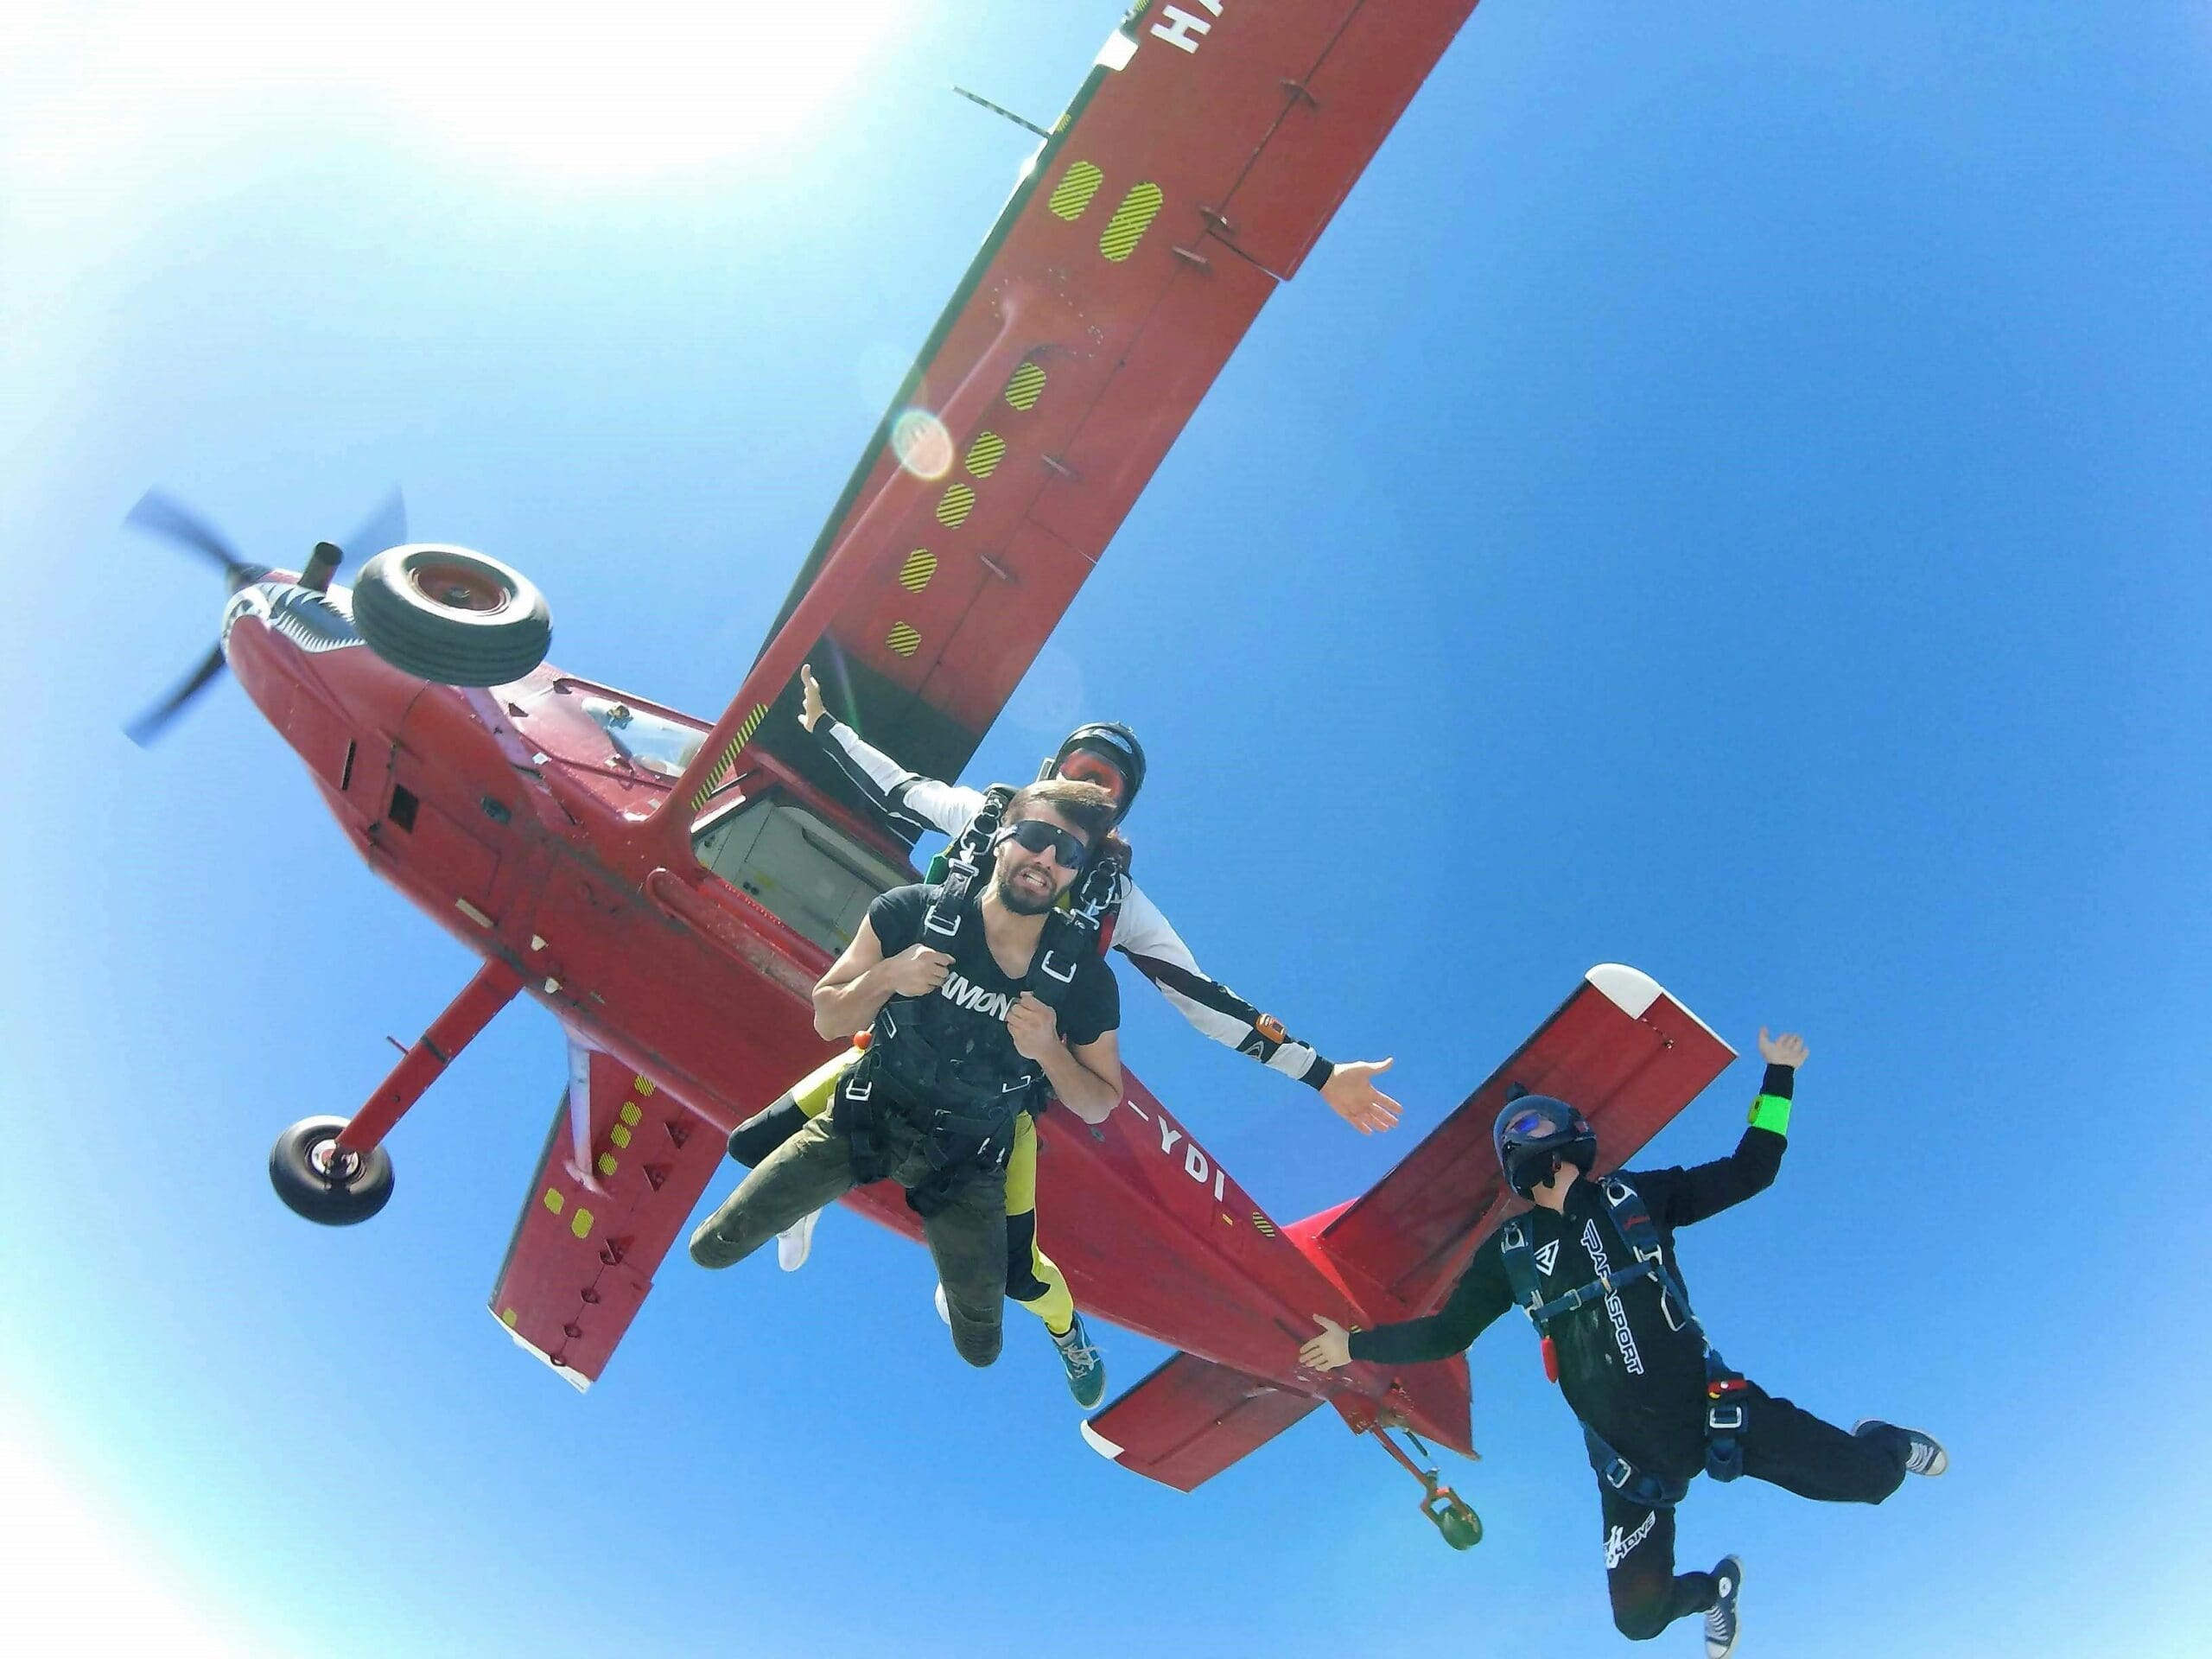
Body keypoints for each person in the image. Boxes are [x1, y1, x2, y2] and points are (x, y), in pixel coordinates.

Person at [728, 663, 1402, 1408]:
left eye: (1108, 794)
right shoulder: (988, 821)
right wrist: (825, 726)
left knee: (1015, 1270)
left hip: (1002, 1091)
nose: (1083, 807)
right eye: (1081, 775)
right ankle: (808, 1196)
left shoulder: (1121, 902)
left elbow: (1202, 997)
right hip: (904, 1045)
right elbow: (898, 785)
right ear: (1046, 777)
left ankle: (1065, 1331)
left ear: (1114, 823)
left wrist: (1320, 1072)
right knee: (759, 1143)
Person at [1298, 1031, 1946, 1658]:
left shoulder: (1638, 1194)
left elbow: (1751, 1172)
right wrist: (1352, 1345)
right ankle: (1714, 1591)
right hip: (1631, 1467)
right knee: (1638, 1620)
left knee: (1872, 1482)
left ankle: (1885, 1440)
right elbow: (1445, 1333)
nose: (1519, 1136)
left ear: (1568, 1134)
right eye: (1510, 1135)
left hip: (1715, 1412)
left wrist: (1779, 1076)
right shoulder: (1508, 1253)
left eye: (1530, 1124)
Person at [689, 781, 1123, 1371]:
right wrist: (889, 974)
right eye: (1038, 838)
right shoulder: (912, 911)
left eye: (1068, 854)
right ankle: (805, 1208)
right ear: (1002, 838)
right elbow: (829, 1016)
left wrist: (1049, 1050)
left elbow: (1100, 1103)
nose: (1047, 859)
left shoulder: (1084, 982)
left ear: (1075, 875)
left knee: (981, 1346)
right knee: (713, 1247)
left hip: (968, 1160)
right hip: (868, 1111)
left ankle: (1043, 1324)